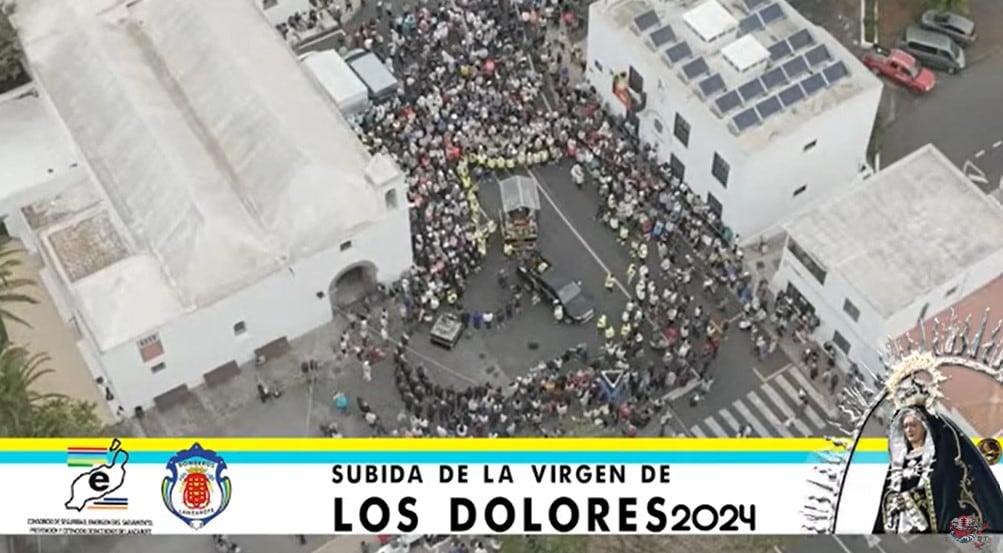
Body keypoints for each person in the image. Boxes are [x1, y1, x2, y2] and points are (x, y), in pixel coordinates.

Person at [873, 397, 1003, 533]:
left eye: (913, 425)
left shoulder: (938, 458)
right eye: (905, 426)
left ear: (924, 426)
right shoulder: (899, 462)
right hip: (902, 526)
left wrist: (910, 499)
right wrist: (894, 501)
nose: (909, 430)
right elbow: (889, 494)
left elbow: (945, 489)